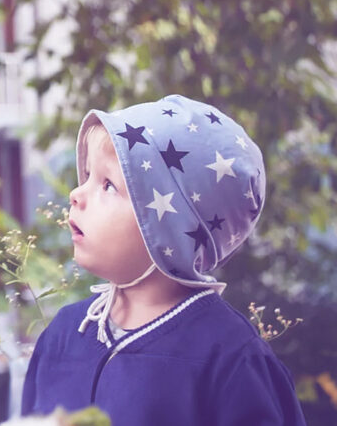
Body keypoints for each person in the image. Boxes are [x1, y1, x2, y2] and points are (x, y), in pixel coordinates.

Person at [21, 94, 306, 425]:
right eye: (85, 175)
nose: (76, 193)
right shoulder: (63, 335)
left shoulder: (232, 358)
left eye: (108, 184)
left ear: (169, 227)